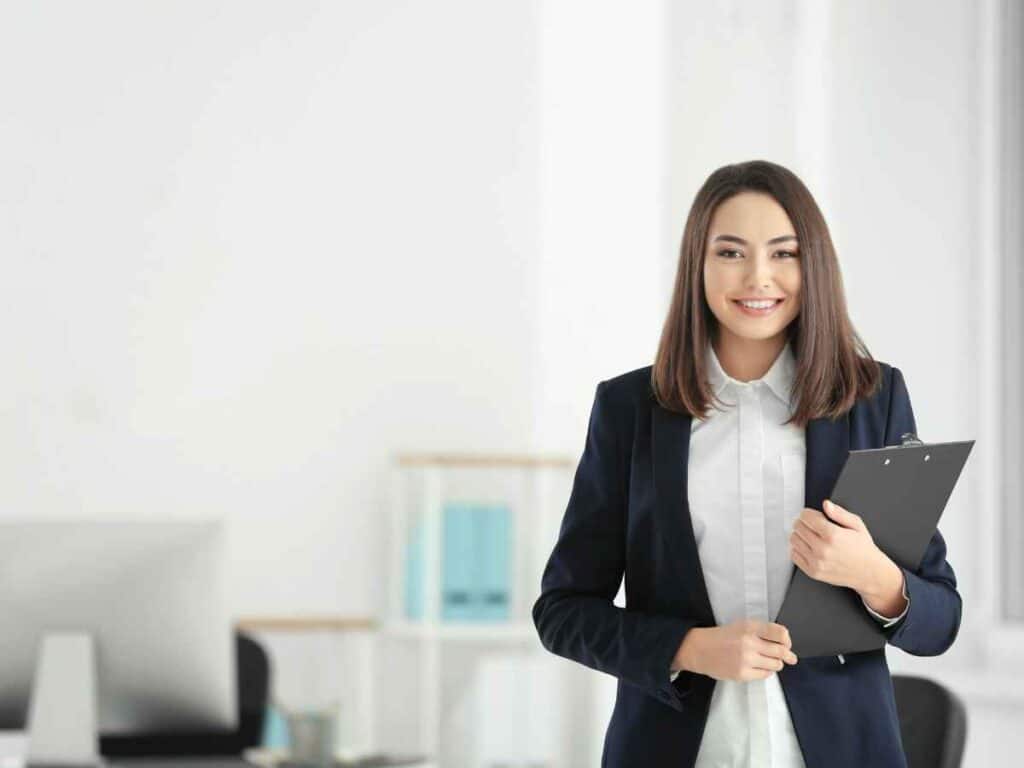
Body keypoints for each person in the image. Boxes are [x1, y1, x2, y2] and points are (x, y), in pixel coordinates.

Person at [531, 160, 962, 768]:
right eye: (731, 252)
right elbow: (562, 612)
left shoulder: (874, 398)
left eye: (783, 253)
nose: (759, 277)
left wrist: (874, 576)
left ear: (811, 265)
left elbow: (940, 619)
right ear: (697, 266)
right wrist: (687, 647)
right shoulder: (630, 410)